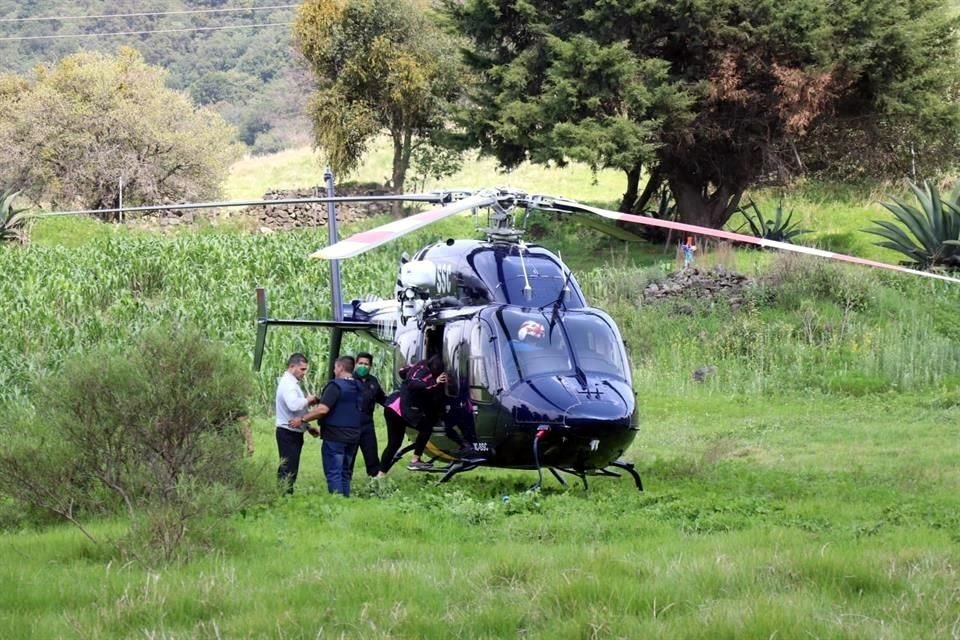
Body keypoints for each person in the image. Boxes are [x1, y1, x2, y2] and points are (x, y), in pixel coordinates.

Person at [291, 356, 364, 497]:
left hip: (335, 435)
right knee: (345, 471)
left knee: (334, 471)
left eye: (335, 367)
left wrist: (302, 418)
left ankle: (337, 502)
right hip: (354, 434)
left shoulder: (335, 386)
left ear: (340, 368)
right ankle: (346, 499)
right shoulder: (358, 386)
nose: (334, 370)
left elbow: (323, 410)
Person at [379, 354, 447, 473]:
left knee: (394, 444)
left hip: (391, 407)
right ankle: (415, 460)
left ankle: (380, 475)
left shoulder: (417, 365)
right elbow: (413, 384)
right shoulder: (424, 371)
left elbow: (402, 372)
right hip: (401, 409)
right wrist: (434, 382)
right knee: (426, 427)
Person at [275, 353, 319, 494]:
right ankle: (284, 494)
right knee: (288, 467)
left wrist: (307, 427)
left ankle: (286, 492)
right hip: (288, 432)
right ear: (292, 366)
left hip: (293, 430)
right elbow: (294, 406)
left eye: (305, 369)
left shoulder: (291, 383)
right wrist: (308, 400)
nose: (304, 373)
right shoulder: (288, 385)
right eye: (302, 369)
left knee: (290, 465)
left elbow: (294, 414)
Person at [354, 351, 386, 478]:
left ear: (370, 366)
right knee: (349, 456)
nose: (363, 366)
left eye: (366, 364)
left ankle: (374, 480)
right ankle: (344, 483)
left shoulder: (373, 381)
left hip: (367, 424)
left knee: (371, 454)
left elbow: (382, 399)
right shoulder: (349, 380)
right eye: (360, 363)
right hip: (352, 424)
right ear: (356, 364)